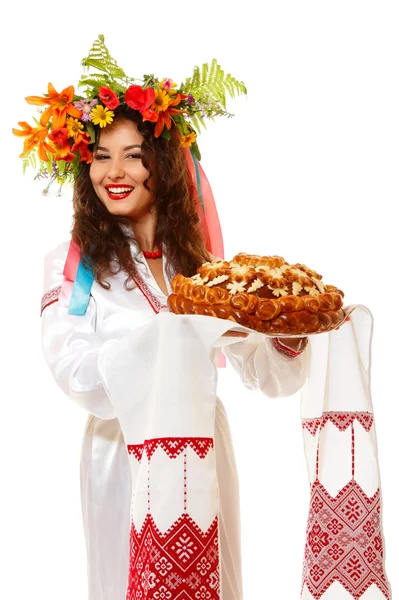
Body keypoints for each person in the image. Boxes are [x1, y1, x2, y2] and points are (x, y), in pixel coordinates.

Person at [40, 104, 310, 600]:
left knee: (213, 581)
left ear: (163, 165)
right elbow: (74, 372)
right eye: (101, 157)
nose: (114, 173)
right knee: (127, 581)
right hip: (124, 450)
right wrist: (169, 339)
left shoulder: (200, 265)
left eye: (133, 156)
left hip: (204, 443)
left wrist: (285, 335)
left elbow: (263, 371)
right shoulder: (75, 264)